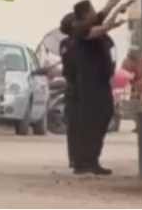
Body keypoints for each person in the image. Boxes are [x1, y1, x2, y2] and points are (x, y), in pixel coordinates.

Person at [70, 0, 137, 175]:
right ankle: (84, 162)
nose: (94, 12)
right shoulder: (80, 29)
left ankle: (91, 160)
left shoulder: (91, 22)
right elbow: (99, 31)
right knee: (92, 121)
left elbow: (110, 3)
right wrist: (114, 20)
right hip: (90, 85)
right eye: (91, 10)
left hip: (100, 83)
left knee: (104, 116)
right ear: (84, 14)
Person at [58, 12, 80, 170]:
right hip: (74, 87)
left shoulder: (80, 42)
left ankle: (81, 158)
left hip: (82, 87)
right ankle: (74, 158)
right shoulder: (67, 44)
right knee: (73, 126)